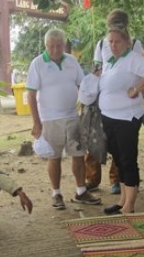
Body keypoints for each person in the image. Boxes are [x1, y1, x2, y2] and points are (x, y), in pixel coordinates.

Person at [27, 29, 101, 210]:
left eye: (58, 45)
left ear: (64, 45)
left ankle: (81, 191)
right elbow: (30, 94)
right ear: (46, 46)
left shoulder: (71, 61)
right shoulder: (37, 63)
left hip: (72, 117)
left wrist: (86, 111)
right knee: (54, 157)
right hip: (49, 120)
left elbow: (82, 85)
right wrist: (36, 122)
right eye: (51, 46)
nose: (54, 50)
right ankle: (56, 193)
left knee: (78, 155)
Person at [87, 9, 144, 195]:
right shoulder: (102, 44)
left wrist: (137, 88)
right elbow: (97, 69)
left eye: (120, 26)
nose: (114, 44)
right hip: (104, 102)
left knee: (126, 153)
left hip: (127, 109)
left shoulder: (134, 47)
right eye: (112, 26)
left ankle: (120, 183)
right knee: (99, 142)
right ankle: (92, 178)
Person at [96, 23, 144, 214]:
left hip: (127, 117)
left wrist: (137, 88)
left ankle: (130, 205)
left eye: (117, 41)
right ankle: (123, 200)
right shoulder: (109, 60)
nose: (113, 45)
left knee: (128, 159)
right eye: (111, 42)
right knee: (118, 158)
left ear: (126, 42)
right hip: (109, 117)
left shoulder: (132, 59)